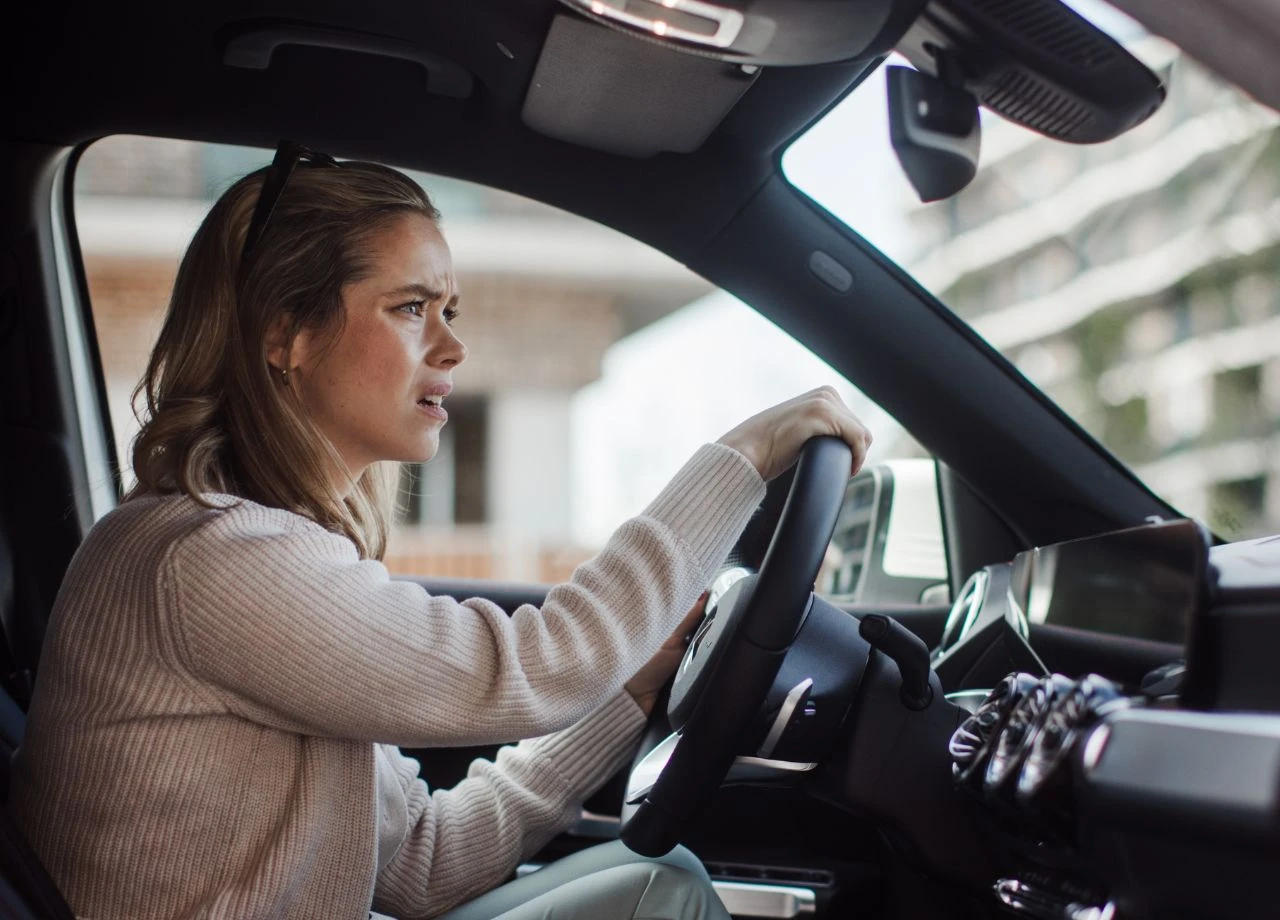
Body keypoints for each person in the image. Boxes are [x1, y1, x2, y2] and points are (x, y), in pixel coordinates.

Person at [9, 142, 871, 920]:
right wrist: (743, 457)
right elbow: (534, 666)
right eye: (412, 307)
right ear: (287, 334)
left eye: (449, 308)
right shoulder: (208, 558)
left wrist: (627, 696)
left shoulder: (264, 554)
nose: (453, 347)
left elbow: (421, 862)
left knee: (659, 881)